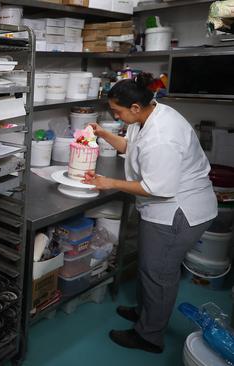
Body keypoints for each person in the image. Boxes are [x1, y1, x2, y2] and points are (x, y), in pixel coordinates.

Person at [83, 73, 217, 353]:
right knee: (150, 266)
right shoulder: (148, 114)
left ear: (134, 107)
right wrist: (104, 134)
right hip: (165, 208)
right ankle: (146, 314)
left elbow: (159, 187)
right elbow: (133, 149)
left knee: (159, 274)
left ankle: (149, 336)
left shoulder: (162, 136)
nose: (116, 116)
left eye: (117, 112)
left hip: (179, 212)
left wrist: (109, 182)